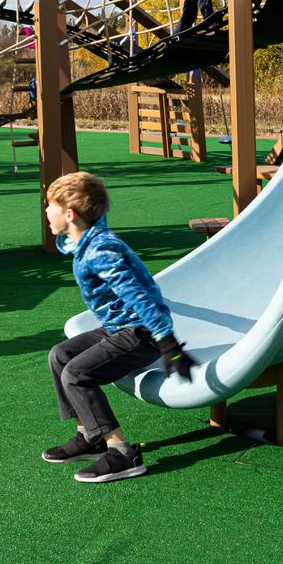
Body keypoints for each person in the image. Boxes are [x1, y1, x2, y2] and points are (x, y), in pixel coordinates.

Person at [40, 171, 198, 483]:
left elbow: (138, 296)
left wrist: (167, 342)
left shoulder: (101, 251)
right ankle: (90, 437)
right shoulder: (86, 239)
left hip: (142, 333)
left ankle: (122, 452)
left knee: (77, 375)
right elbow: (77, 235)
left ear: (69, 214)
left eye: (50, 205)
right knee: (60, 356)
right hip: (117, 326)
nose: (46, 211)